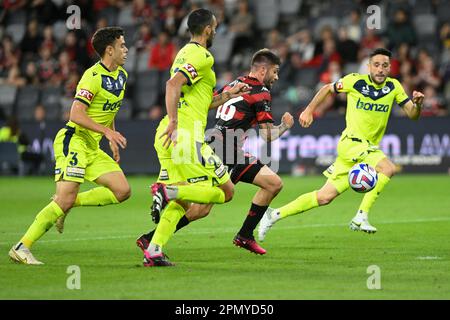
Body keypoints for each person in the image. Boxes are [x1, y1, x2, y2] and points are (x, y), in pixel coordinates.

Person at [137, 48, 294, 256]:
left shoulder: (235, 83)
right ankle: (152, 237)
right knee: (201, 208)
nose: (276, 77)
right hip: (226, 150)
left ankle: (245, 235)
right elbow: (267, 135)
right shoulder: (261, 93)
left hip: (227, 147)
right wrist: (284, 126)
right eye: (275, 71)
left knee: (273, 183)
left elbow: (208, 103)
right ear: (263, 70)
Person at [258, 48, 425, 241]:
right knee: (387, 168)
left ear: (389, 68)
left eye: (385, 65)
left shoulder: (394, 87)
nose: (380, 69)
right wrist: (309, 110)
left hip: (365, 148)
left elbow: (413, 115)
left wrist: (418, 104)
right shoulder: (355, 81)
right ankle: (361, 215)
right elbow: (328, 88)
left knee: (324, 197)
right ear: (369, 66)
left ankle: (273, 215)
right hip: (352, 144)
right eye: (376, 65)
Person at [9, 27, 131, 265]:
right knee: (63, 198)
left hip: (93, 146)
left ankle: (69, 202)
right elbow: (76, 113)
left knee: (122, 191)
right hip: (72, 140)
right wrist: (106, 131)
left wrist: (111, 135)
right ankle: (22, 246)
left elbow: (109, 110)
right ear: (109, 50)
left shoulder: (122, 75)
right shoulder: (92, 77)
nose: (126, 49)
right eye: (122, 45)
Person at [142, 8, 250, 267]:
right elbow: (172, 86)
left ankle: (154, 249)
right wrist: (176, 123)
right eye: (215, 26)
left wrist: (229, 93)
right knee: (226, 191)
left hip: (167, 134)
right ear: (208, 29)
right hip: (185, 135)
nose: (216, 30)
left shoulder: (182, 54)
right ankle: (165, 191)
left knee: (182, 201)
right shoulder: (203, 56)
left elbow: (200, 100)